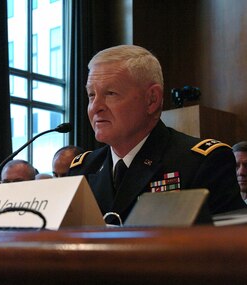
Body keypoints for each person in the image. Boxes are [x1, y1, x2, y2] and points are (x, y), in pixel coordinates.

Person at [69, 45, 245, 223]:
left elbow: (227, 245)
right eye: (91, 95)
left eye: (111, 93)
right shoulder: (82, 169)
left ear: (151, 99)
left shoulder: (202, 163)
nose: (95, 106)